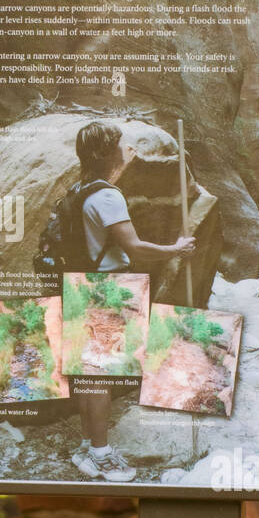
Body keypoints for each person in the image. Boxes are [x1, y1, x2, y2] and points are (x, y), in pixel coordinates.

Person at [68, 121, 196, 482]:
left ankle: (87, 447)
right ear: (109, 153)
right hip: (107, 290)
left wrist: (119, 167)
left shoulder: (82, 189)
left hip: (82, 285)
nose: (127, 149)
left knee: (88, 374)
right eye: (121, 146)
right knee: (102, 375)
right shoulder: (108, 197)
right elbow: (135, 247)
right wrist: (177, 249)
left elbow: (103, 197)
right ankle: (101, 455)